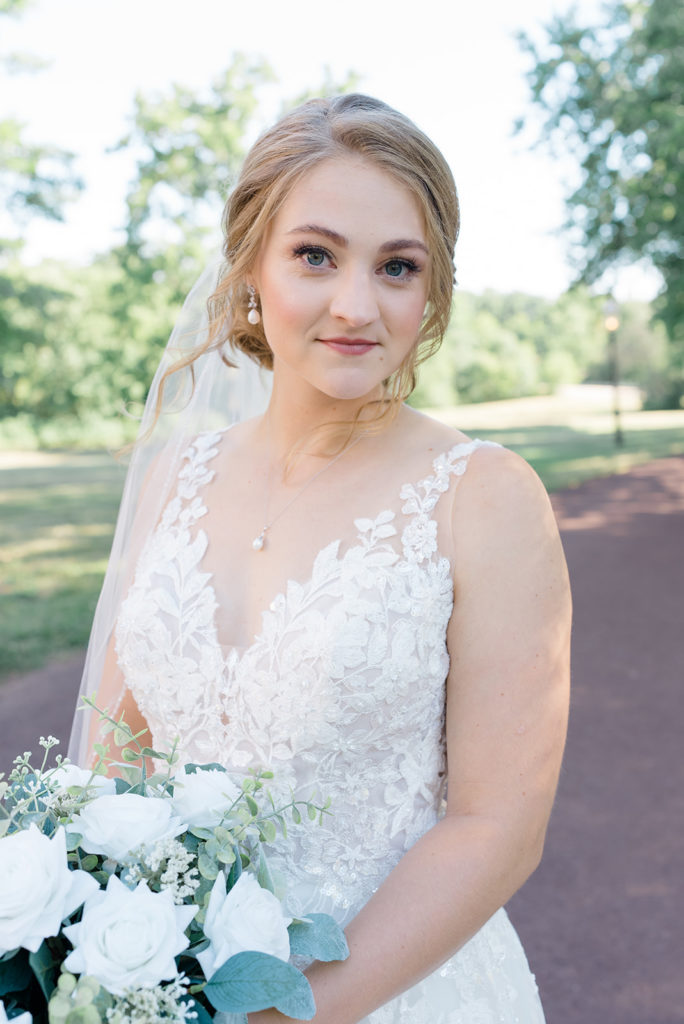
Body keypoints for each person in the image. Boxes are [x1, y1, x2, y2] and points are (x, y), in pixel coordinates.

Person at [69, 94, 571, 1023]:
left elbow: (497, 829)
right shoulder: (175, 474)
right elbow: (115, 766)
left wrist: (282, 1011)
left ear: (431, 292)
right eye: (315, 254)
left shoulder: (487, 496)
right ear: (252, 263)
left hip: (401, 989)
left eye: (397, 267)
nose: (355, 305)